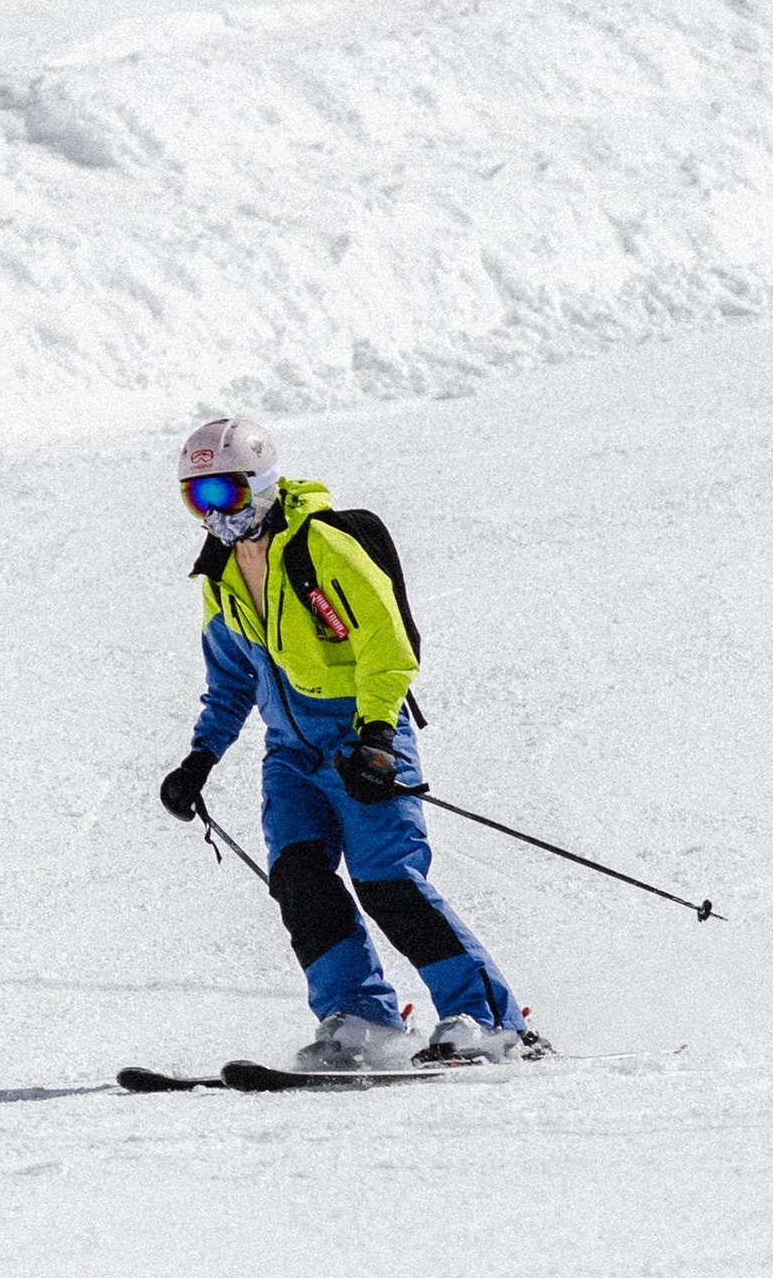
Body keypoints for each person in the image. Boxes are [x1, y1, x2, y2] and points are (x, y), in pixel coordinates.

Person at [157, 413, 536, 1074]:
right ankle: (360, 1020)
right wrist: (200, 760)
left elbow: (386, 645)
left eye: (226, 492)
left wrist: (380, 739)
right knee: (300, 880)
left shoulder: (324, 547)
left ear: (262, 483)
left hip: (361, 737)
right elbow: (231, 682)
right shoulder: (220, 576)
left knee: (387, 880)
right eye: (198, 497)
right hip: (291, 755)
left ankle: (490, 1021)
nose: (214, 512)